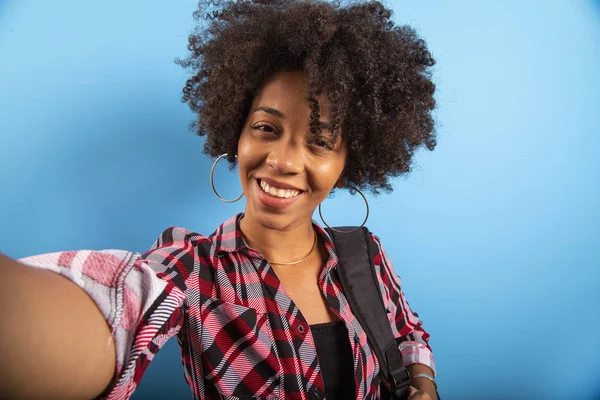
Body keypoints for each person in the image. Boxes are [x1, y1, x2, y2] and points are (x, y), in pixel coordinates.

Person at [0, 0, 438, 398]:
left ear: (348, 161)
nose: (283, 160)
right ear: (237, 133)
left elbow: (407, 333)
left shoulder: (364, 254)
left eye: (320, 142)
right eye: (266, 128)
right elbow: (113, 309)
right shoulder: (194, 269)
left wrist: (424, 383)